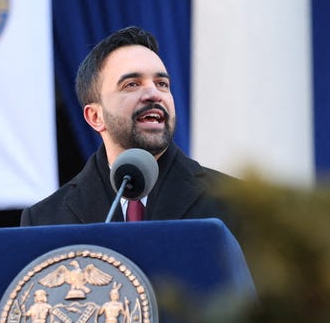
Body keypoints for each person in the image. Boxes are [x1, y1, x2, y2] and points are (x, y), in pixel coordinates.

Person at [20, 26, 234, 225]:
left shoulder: (233, 203)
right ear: (95, 116)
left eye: (162, 84)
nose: (153, 94)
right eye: (132, 84)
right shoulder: (46, 219)